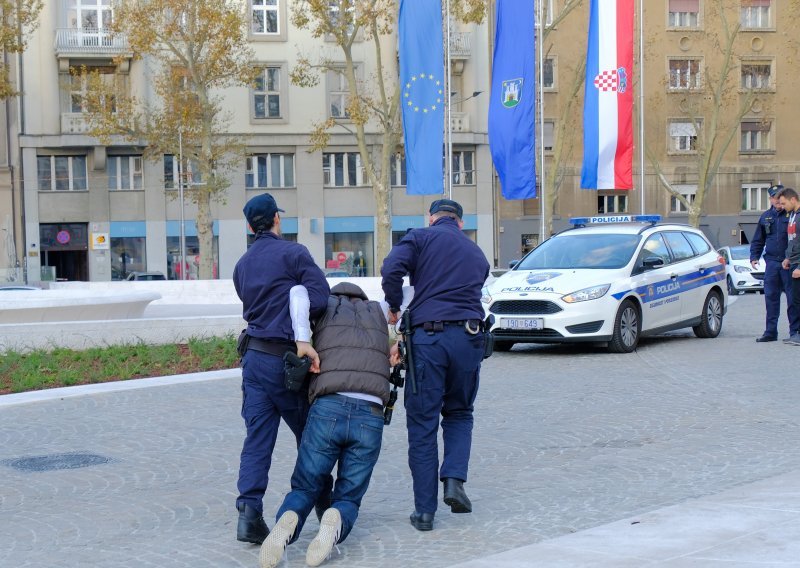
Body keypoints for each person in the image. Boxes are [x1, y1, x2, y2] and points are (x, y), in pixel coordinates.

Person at [259, 282, 391, 568]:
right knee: (349, 495)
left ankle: (289, 519)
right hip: (371, 412)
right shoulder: (379, 311)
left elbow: (297, 292)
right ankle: (337, 517)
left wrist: (304, 338)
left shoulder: (323, 308)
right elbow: (407, 295)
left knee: (305, 486)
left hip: (328, 406)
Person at [380, 199, 490, 532]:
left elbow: (390, 269)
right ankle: (454, 481)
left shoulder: (419, 237)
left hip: (429, 339)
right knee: (459, 412)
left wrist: (395, 306)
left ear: (431, 218)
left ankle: (425, 511)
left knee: (423, 422)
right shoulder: (476, 252)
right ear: (460, 222)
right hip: (470, 338)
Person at [232, 192, 331, 545]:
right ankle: (323, 503)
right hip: (288, 362)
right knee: (309, 434)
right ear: (276, 219)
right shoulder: (294, 253)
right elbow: (320, 297)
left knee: (257, 439)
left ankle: (249, 514)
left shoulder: (242, 264)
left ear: (249, 226)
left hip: (253, 360)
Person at [750, 184, 798, 342]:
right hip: (771, 262)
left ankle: (795, 332)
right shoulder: (765, 217)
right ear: (770, 199)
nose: (778, 201)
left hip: (789, 262)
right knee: (770, 297)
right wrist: (754, 256)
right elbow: (759, 238)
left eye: (780, 198)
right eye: (774, 198)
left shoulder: (791, 215)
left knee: (793, 299)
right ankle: (771, 331)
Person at [779, 187, 800, 345]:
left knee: (798, 300)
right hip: (792, 263)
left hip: (798, 265)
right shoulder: (792, 215)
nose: (782, 206)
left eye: (784, 203)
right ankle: (796, 333)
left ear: (793, 200)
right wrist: (788, 258)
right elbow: (792, 241)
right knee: (794, 300)